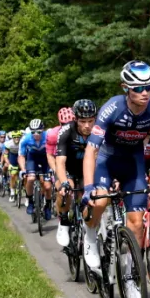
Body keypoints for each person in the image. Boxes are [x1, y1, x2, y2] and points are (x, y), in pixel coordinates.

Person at [83, 62, 150, 298]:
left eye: (149, 87)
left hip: (134, 164)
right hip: (107, 160)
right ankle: (90, 234)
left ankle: (130, 276)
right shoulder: (111, 108)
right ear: (125, 88)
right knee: (100, 201)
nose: (145, 93)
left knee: (137, 223)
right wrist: (89, 186)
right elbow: (91, 149)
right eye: (138, 88)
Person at [52, 100, 97, 247]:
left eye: (91, 121)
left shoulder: (99, 131)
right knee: (64, 190)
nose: (87, 126)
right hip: (69, 169)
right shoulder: (66, 131)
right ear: (75, 119)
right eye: (83, 121)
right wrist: (64, 182)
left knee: (90, 199)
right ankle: (63, 221)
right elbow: (60, 162)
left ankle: (88, 230)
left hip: (86, 171)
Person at [19, 119, 52, 216]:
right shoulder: (26, 138)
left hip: (46, 159)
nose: (36, 134)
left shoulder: (48, 137)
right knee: (30, 178)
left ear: (43, 130)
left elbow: (54, 153)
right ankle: (30, 201)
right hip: (32, 159)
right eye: (33, 132)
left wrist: (53, 169)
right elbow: (21, 156)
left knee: (47, 186)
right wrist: (23, 170)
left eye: (39, 131)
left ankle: (48, 205)